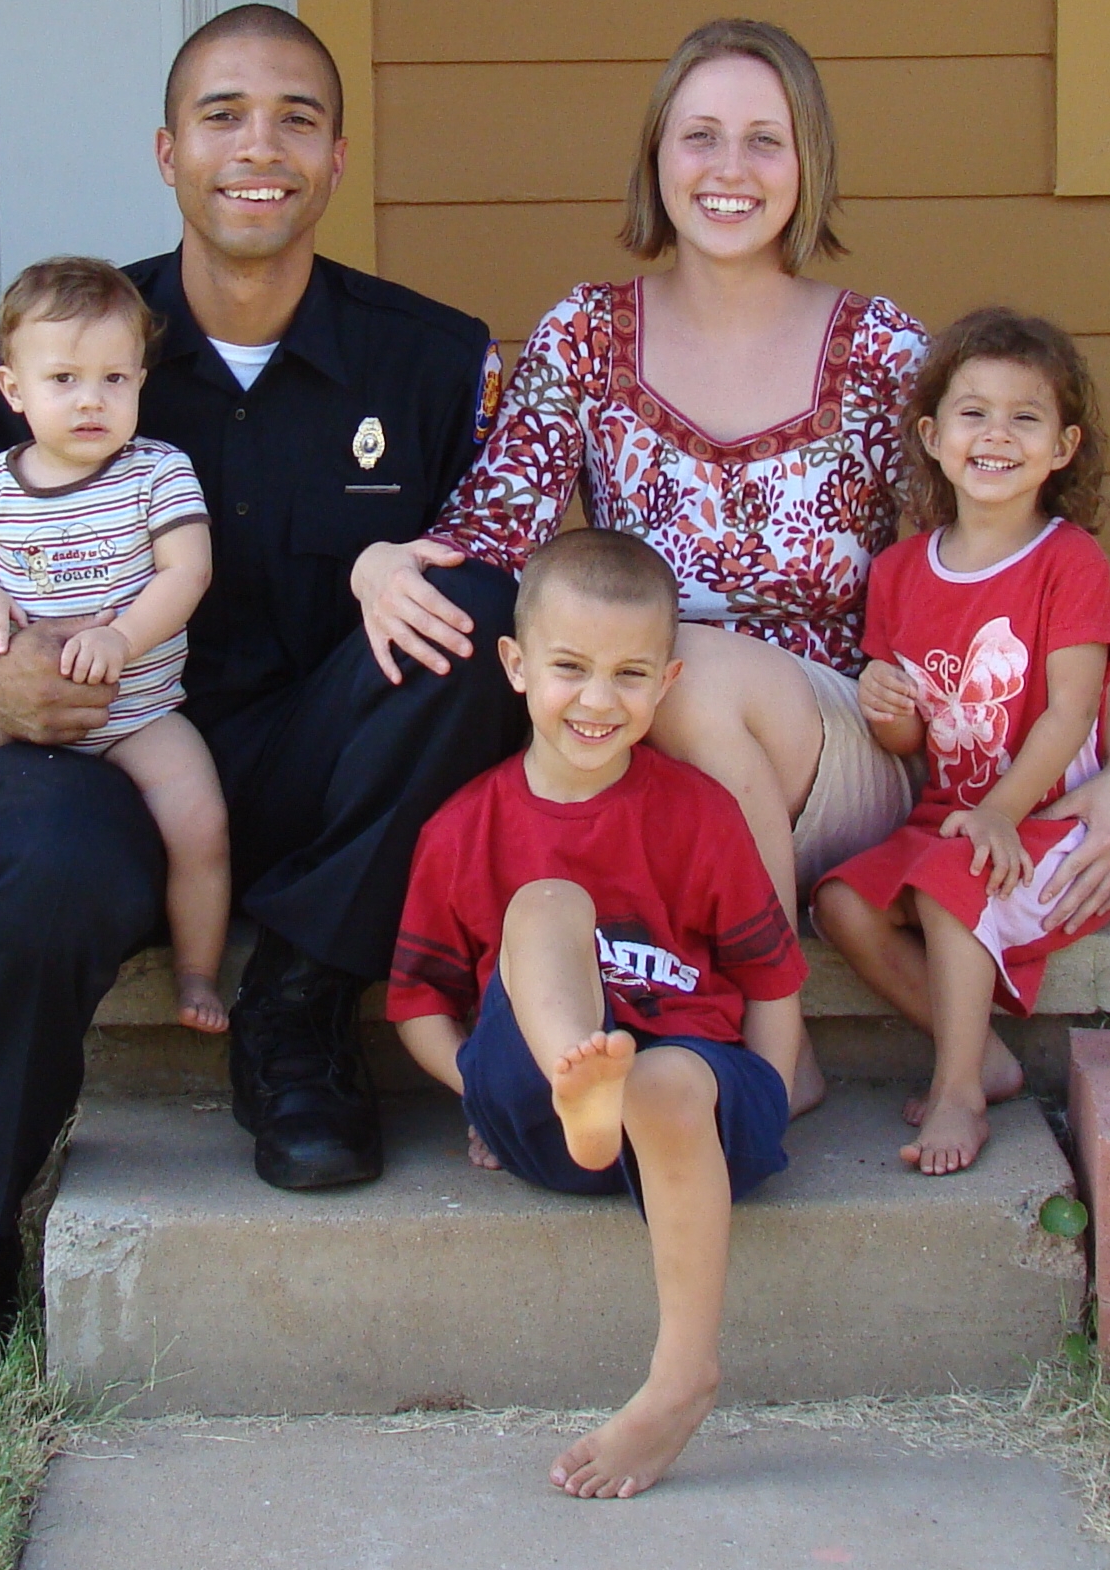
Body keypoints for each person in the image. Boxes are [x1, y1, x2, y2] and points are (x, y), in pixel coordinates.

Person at [0, 5, 526, 1376]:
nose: (258, 146)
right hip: (98, 753)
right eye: (223, 114)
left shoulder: (434, 360)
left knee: (479, 614)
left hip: (326, 766)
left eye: (294, 116)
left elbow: (516, 575)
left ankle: (295, 1008)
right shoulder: (57, 341)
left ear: (338, 158)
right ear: (166, 152)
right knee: (38, 871)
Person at [350, 19, 1110, 1105]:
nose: (731, 171)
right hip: (640, 735)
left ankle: (781, 1058)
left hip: (848, 745)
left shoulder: (883, 352)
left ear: (807, 164)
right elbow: (495, 525)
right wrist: (375, 565)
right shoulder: (586, 334)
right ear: (657, 158)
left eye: (764, 141)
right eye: (702, 137)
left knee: (690, 666)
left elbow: (1013, 563)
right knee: (622, 675)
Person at [387, 527, 804, 1500]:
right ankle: (583, 1092)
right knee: (544, 905)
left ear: (667, 683)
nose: (598, 699)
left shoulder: (699, 813)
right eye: (570, 668)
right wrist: (478, 1095)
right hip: (536, 1103)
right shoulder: (466, 828)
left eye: (629, 674)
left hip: (686, 1108)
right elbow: (417, 1006)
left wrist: (773, 1094)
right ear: (516, 666)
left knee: (664, 1079)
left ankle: (681, 1375)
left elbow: (772, 979)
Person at [816, 311, 1110, 1176]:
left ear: (1064, 446)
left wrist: (1000, 810)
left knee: (952, 880)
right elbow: (908, 734)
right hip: (947, 821)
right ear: (931, 434)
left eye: (1025, 418)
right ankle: (985, 1053)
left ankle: (957, 1086)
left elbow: (1074, 711)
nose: (996, 435)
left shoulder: (1068, 562)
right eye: (973, 413)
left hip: (1049, 828)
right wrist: (883, 703)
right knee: (842, 901)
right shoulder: (900, 570)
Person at [0, 258, 228, 1039]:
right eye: (64, 379)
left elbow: (188, 571)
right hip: (22, 708)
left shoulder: (158, 475)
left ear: (141, 381)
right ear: (13, 391)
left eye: (113, 380)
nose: (91, 401)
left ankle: (199, 968)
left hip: (136, 709)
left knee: (200, 822)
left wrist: (122, 634)